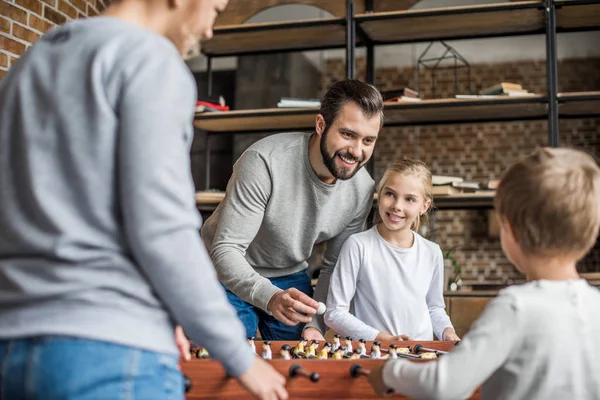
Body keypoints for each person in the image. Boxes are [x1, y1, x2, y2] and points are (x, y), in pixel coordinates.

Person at [0, 0, 288, 399]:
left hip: (13, 343)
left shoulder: (34, 60)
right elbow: (162, 227)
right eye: (216, 10)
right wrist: (237, 354)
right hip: (110, 352)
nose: (208, 30)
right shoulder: (150, 59)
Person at [368, 147, 600, 400]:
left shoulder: (514, 308)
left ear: (510, 230)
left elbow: (444, 385)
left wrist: (390, 371)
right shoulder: (595, 305)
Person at [201, 79, 384, 340]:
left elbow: (334, 267)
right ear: (321, 125)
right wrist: (271, 297)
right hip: (223, 270)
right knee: (231, 354)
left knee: (301, 359)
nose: (357, 151)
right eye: (348, 135)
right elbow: (226, 249)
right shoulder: (264, 162)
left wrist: (315, 325)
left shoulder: (362, 188)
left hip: (288, 273)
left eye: (368, 140)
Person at [324, 157, 460, 342]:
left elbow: (434, 308)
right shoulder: (358, 246)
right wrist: (383, 339)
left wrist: (447, 332)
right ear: (380, 193)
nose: (397, 206)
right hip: (375, 354)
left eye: (410, 199)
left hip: (421, 354)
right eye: (390, 194)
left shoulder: (432, 252)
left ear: (424, 206)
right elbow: (334, 313)